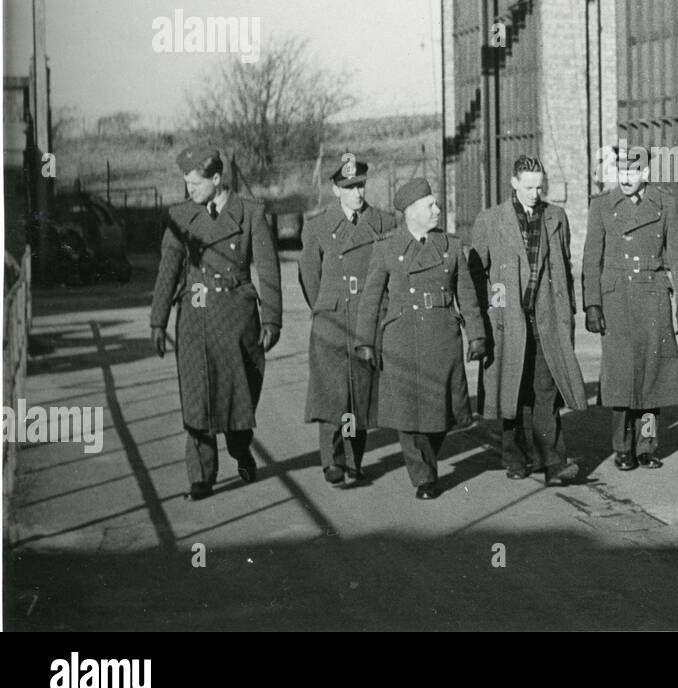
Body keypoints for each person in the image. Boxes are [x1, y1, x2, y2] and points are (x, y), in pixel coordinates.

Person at [149, 145, 281, 501]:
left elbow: (268, 269)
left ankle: (240, 448)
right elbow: (168, 270)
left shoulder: (250, 213)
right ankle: (202, 476)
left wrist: (272, 318)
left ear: (217, 179)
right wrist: (158, 321)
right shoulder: (179, 216)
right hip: (194, 317)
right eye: (186, 184)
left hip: (237, 318)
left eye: (195, 184)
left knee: (240, 397)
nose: (189, 190)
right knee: (197, 398)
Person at [354, 179, 485, 500]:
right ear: (411, 213)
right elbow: (371, 298)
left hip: (442, 334)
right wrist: (365, 341)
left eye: (436, 204)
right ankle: (424, 476)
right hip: (402, 336)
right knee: (408, 414)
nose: (437, 210)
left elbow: (466, 295)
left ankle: (427, 457)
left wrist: (477, 334)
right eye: (430, 206)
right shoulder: (386, 248)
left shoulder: (451, 246)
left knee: (442, 411)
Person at [469, 155, 587, 486]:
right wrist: (490, 313)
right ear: (514, 183)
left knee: (545, 390)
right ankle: (516, 456)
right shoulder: (491, 220)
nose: (536, 192)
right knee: (513, 391)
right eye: (529, 186)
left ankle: (553, 460)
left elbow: (563, 268)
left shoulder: (556, 217)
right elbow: (477, 275)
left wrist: (568, 315)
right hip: (508, 322)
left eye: (540, 186)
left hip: (546, 320)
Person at [582, 146, 678, 471]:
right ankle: (622, 447)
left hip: (654, 293)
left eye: (634, 172)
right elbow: (592, 257)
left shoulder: (665, 203)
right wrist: (592, 303)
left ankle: (647, 446)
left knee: (654, 377)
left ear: (646, 174)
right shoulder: (602, 205)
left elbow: (676, 253)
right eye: (622, 171)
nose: (627, 178)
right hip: (617, 297)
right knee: (620, 374)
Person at [298, 153, 397, 488]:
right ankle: (332, 460)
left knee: (359, 392)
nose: (357, 193)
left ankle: (354, 460)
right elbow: (309, 277)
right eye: (349, 186)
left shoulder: (383, 223)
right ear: (336, 189)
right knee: (332, 392)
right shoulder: (318, 226)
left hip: (367, 319)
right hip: (332, 318)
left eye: (361, 186)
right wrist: (326, 306)